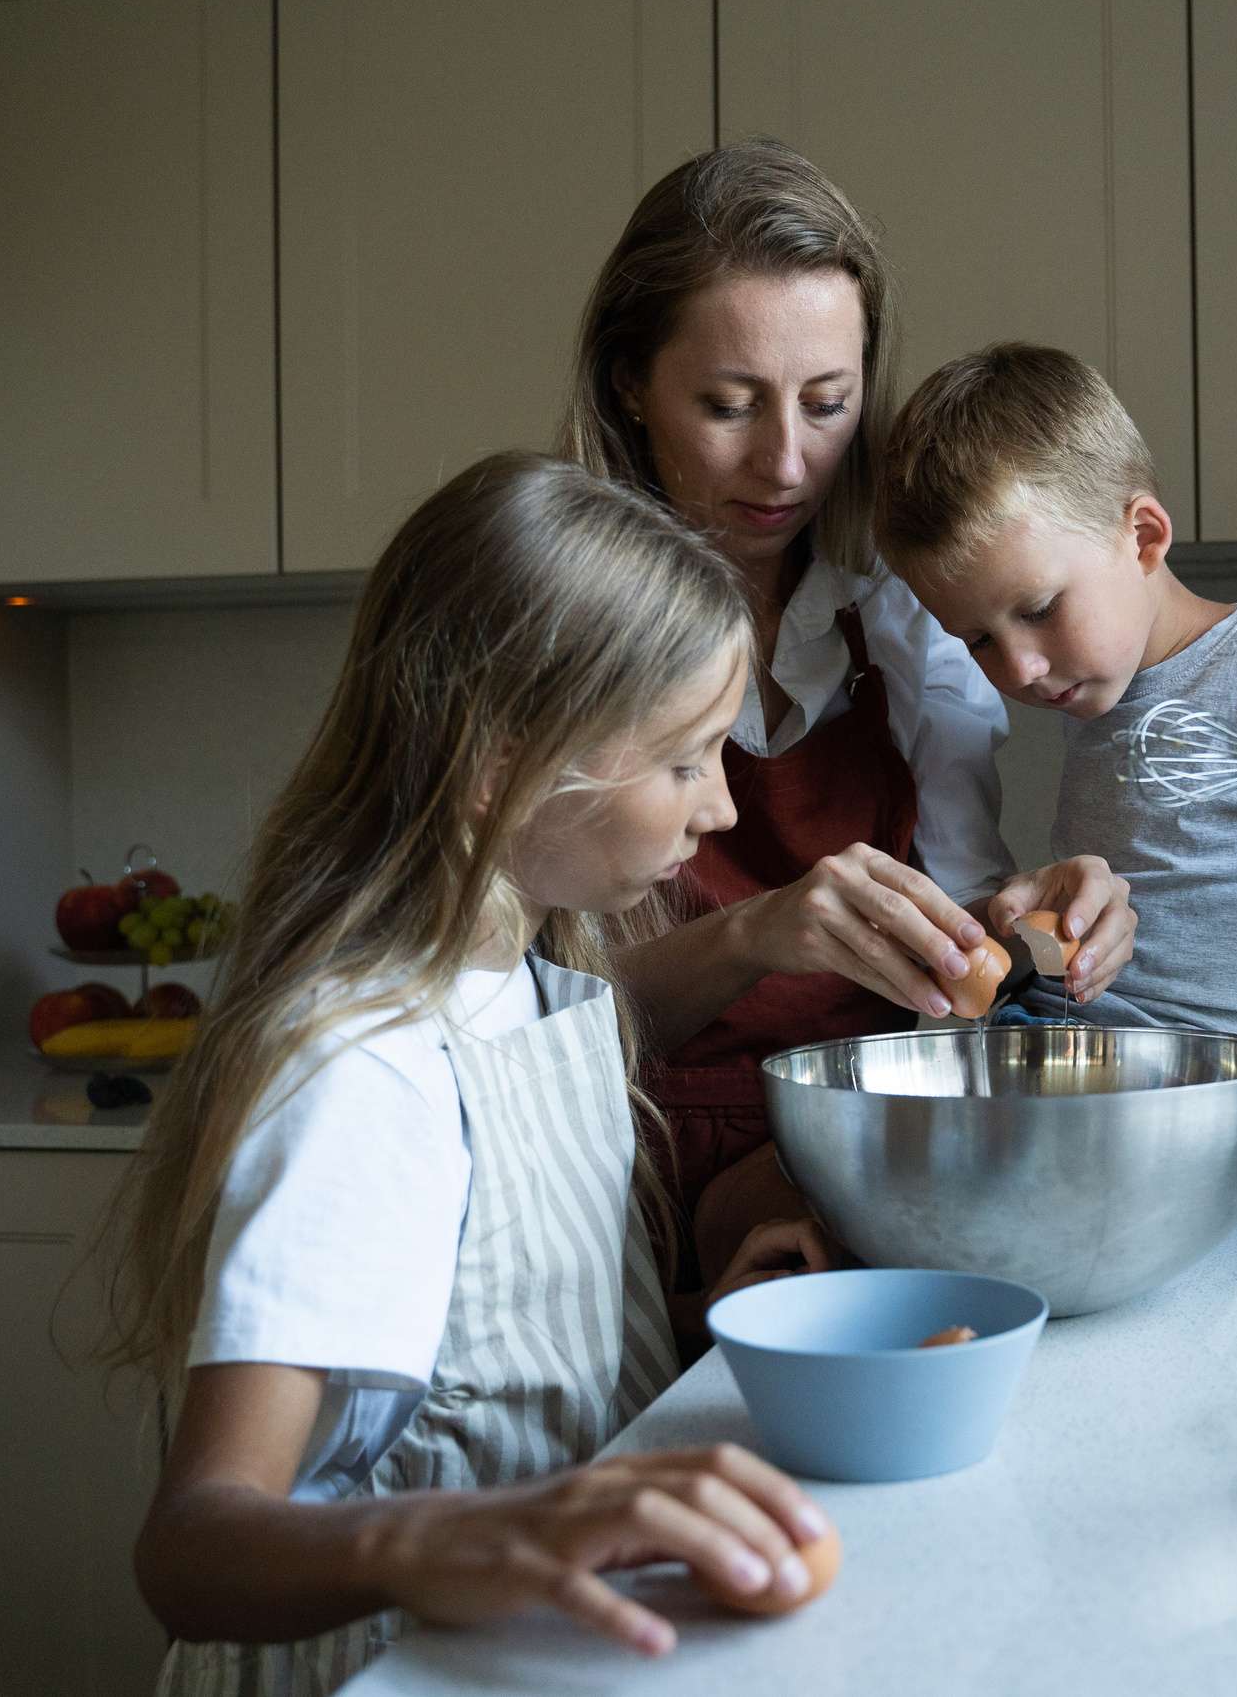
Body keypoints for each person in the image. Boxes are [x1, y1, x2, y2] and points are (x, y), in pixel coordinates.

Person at [106, 455, 837, 1695]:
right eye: (684, 761)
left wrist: (684, 1324)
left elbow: (478, 1365)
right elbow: (192, 1549)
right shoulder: (362, 1069)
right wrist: (438, 1540)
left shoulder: (524, 984)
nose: (719, 808)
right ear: (503, 765)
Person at [560, 140, 1136, 1270]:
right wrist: (752, 936)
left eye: (828, 403)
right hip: (615, 1194)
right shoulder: (560, 638)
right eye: (729, 405)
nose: (786, 462)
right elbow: (517, 1023)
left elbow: (967, 975)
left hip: (861, 1175)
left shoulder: (905, 629)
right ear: (629, 385)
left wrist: (1039, 931)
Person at [873, 345, 1237, 1086]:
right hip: (1075, 1044)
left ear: (1144, 537)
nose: (1019, 667)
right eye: (980, 640)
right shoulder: (1097, 684)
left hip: (1210, 1083)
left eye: (1039, 609)